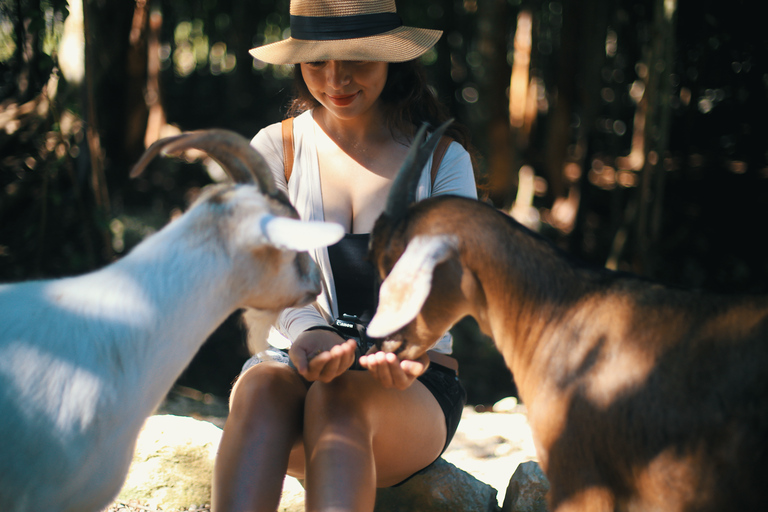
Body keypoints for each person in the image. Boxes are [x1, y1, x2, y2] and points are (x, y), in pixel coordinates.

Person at [212, 1, 480, 511]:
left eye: (354, 58)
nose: (335, 79)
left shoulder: (443, 160)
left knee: (339, 401)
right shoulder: (274, 149)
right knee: (259, 389)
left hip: (412, 380)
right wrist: (307, 332)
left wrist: (406, 342)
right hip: (291, 362)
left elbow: (450, 280)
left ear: (391, 57)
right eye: (316, 62)